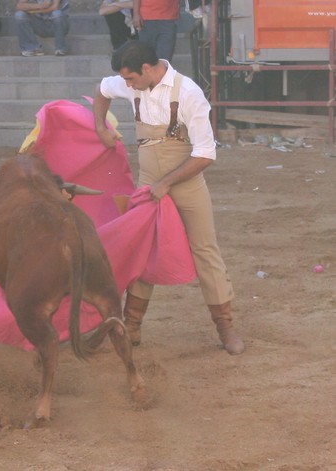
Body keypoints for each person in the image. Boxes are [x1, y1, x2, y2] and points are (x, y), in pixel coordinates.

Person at [92, 40, 245, 355]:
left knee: (205, 249)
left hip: (185, 183)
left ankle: (225, 326)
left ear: (147, 69)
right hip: (149, 182)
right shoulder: (131, 83)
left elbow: (205, 154)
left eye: (131, 79)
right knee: (141, 249)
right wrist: (100, 127)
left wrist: (166, 183)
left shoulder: (188, 93)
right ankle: (131, 328)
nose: (127, 85)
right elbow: (102, 90)